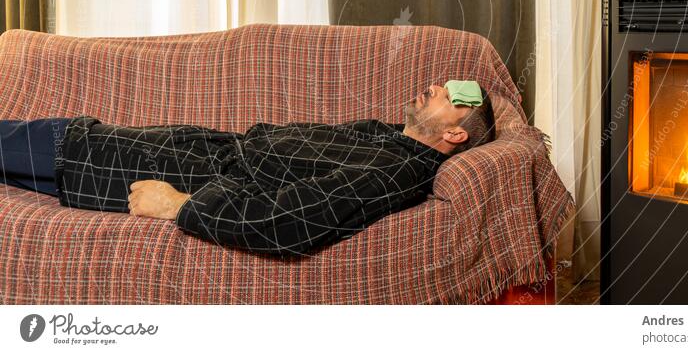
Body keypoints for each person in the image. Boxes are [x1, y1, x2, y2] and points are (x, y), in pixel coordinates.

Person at [0, 82, 495, 257]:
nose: (434, 86)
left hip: (124, 164)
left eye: (454, 96)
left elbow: (291, 221)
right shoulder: (386, 137)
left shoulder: (396, 171)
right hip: (162, 147)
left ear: (456, 134)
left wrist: (180, 205)